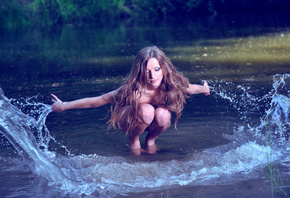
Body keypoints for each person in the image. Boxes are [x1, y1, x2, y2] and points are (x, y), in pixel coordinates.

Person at [51, 46, 210, 155]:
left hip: (152, 121)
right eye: (147, 71)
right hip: (128, 119)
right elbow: (97, 101)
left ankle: (150, 141)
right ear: (140, 72)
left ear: (164, 68)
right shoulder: (133, 91)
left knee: (163, 114)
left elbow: (191, 88)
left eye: (156, 70)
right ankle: (133, 142)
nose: (152, 76)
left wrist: (204, 88)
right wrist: (63, 106)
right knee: (147, 110)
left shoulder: (172, 84)